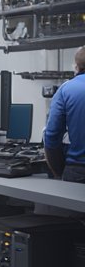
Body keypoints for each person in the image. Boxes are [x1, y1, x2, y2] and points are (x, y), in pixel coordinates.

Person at [44, 46, 85, 182]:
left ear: (76, 67)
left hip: (78, 171)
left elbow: (51, 135)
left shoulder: (66, 89)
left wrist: (59, 172)